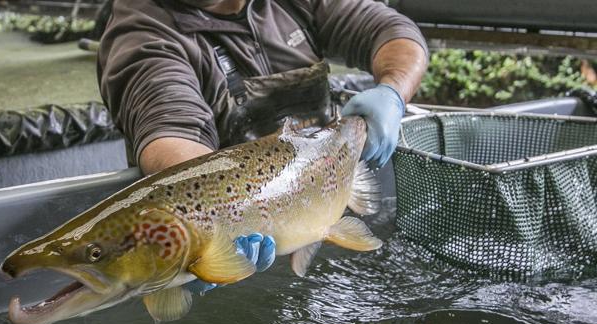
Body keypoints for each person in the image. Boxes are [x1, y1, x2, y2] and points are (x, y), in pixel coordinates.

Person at [96, 0, 428, 292]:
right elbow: (173, 141)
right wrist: (205, 236)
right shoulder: (142, 34)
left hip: (321, 213)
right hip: (225, 271)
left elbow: (391, 31)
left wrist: (393, 93)